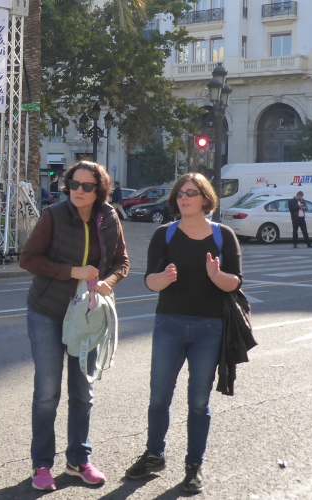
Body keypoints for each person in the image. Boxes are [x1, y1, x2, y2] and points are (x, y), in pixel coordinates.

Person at [125, 172, 243, 494]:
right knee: (159, 397)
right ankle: (154, 455)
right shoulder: (164, 234)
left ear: (206, 198)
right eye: (180, 193)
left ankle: (194, 466)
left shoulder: (223, 235)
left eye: (191, 193)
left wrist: (217, 276)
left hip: (210, 328)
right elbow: (150, 281)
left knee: (198, 402)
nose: (184, 198)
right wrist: (162, 278)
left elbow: (235, 282)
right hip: (170, 324)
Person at [19, 161, 129, 491]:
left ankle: (79, 461)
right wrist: (72, 271)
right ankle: (41, 464)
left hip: (87, 315)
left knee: (83, 391)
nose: (78, 191)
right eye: (74, 184)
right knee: (47, 392)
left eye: (87, 186)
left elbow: (122, 262)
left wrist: (108, 282)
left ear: (100, 190)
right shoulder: (53, 215)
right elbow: (28, 259)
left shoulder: (109, 217)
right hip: (48, 311)